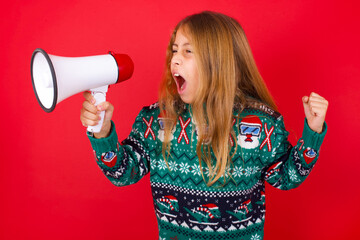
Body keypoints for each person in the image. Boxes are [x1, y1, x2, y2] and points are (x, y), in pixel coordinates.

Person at [80, 11, 328, 240]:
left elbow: (287, 177)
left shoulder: (261, 124)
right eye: (174, 50)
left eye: (188, 52)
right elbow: (123, 173)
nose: (174, 59)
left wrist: (313, 132)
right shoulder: (155, 120)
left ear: (218, 61)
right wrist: (102, 134)